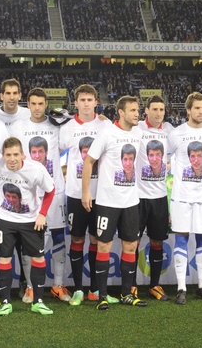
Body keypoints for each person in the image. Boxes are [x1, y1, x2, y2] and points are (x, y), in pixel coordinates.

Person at [81, 96, 146, 309]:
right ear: (121, 112)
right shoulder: (107, 133)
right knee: (103, 245)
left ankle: (127, 293)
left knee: (130, 246)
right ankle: (101, 296)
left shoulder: (138, 132)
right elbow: (89, 162)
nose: (138, 114)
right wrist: (86, 192)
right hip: (107, 202)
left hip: (131, 202)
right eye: (133, 110)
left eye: (138, 110)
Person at [10, 88, 70, 303]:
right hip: (29, 193)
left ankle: (58, 285)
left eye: (41, 104)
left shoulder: (57, 125)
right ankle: (30, 287)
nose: (37, 108)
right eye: (33, 104)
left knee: (58, 237)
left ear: (46, 104)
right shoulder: (18, 127)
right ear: (28, 104)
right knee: (31, 241)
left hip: (55, 191)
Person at [0, 137, 56, 316]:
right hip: (6, 219)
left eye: (15, 155)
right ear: (3, 155)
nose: (12, 159)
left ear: (23, 155)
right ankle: (5, 302)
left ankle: (38, 301)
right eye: (8, 155)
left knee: (38, 259)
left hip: (31, 220)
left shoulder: (35, 169)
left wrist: (42, 214)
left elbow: (50, 191)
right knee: (4, 258)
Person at [59, 84, 112, 306]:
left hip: (101, 193)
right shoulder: (67, 128)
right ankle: (79, 289)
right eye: (82, 100)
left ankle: (94, 290)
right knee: (78, 238)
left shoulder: (105, 124)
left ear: (96, 102)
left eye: (90, 99)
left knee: (97, 239)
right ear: (76, 103)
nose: (87, 103)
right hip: (75, 193)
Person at [168, 91, 202, 304]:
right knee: (180, 238)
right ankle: (181, 288)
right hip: (181, 197)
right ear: (188, 110)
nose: (200, 112)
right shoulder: (176, 134)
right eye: (196, 108)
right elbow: (165, 159)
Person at [133, 94, 173, 301]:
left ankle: (154, 285)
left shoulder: (169, 132)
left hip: (159, 197)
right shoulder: (137, 128)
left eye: (162, 110)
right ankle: (131, 285)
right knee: (133, 243)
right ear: (146, 111)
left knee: (157, 243)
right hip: (138, 198)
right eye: (155, 109)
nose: (159, 113)